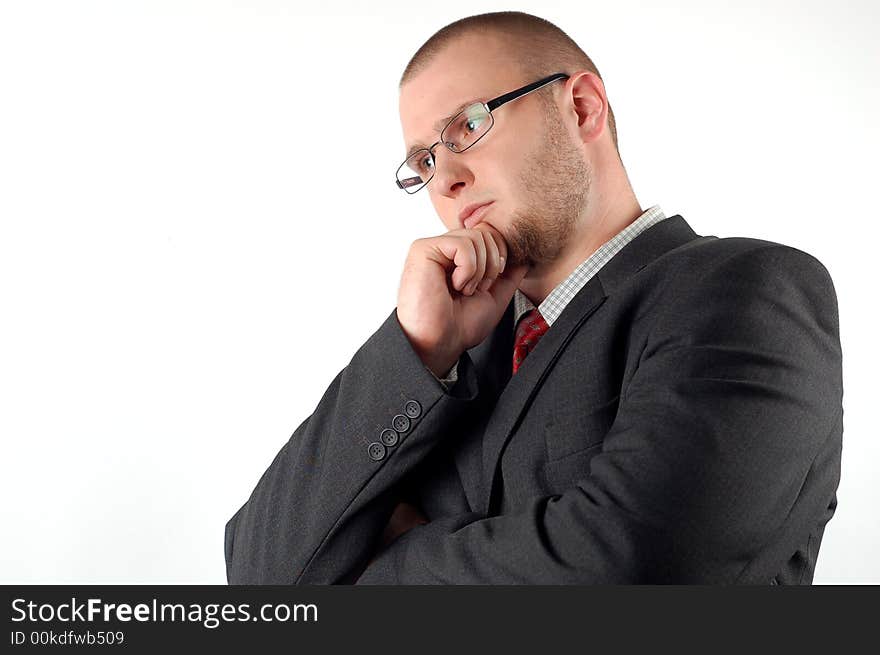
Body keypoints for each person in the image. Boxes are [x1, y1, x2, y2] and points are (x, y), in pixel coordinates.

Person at [224, 11, 843, 584]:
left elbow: (639, 567)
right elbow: (259, 579)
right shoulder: (456, 356)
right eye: (424, 160)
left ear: (581, 107)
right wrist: (418, 348)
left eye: (468, 126)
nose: (446, 178)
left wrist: (382, 564)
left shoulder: (745, 289)